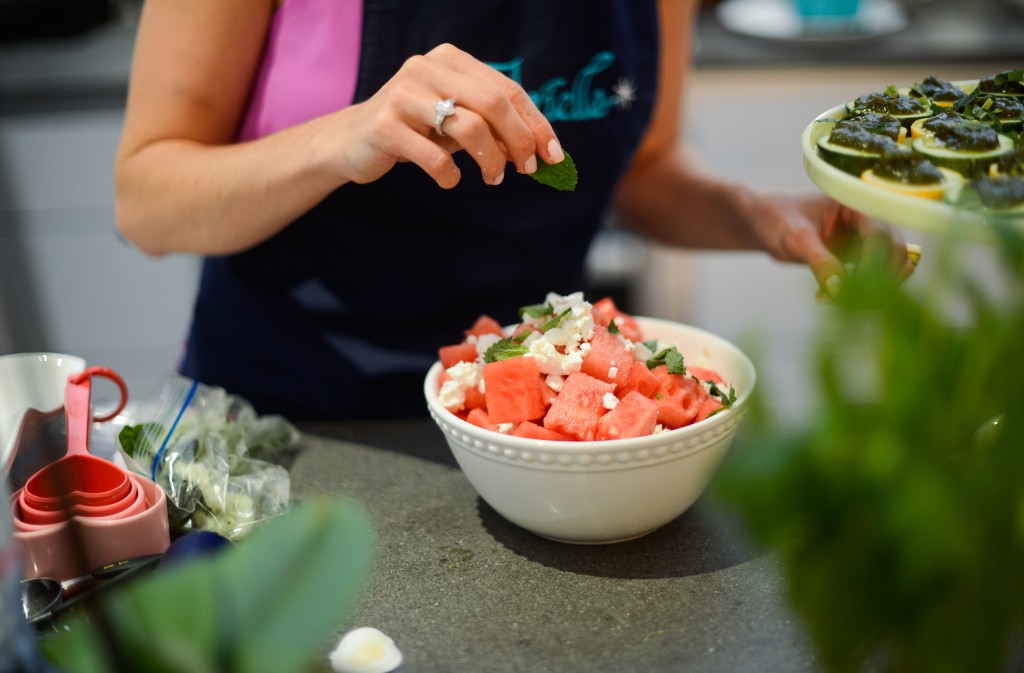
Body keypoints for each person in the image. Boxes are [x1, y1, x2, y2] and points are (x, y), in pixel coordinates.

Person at [114, 0, 908, 420]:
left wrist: (762, 219)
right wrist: (344, 136)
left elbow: (643, 166)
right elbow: (146, 198)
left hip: (530, 419)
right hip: (292, 412)